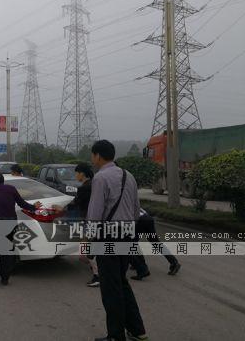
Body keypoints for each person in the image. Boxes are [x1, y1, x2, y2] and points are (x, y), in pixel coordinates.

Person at [87, 140, 148, 341]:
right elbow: (136, 210)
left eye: (92, 155)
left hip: (109, 235)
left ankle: (115, 335)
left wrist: (90, 239)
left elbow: (95, 214)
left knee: (111, 288)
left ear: (97, 156)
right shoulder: (128, 175)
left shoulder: (100, 178)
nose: (91, 159)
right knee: (121, 283)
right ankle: (138, 331)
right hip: (128, 233)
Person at [0, 172, 42, 287]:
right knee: (5, 251)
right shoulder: (11, 189)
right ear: (3, 181)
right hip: (11, 223)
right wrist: (34, 207)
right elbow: (22, 204)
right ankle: (5, 279)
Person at [53, 162, 100, 287]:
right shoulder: (94, 184)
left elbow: (76, 203)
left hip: (90, 219)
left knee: (90, 248)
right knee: (86, 243)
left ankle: (97, 275)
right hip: (98, 218)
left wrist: (61, 208)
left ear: (82, 173)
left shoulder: (85, 187)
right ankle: (91, 263)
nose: (75, 175)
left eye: (76, 173)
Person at [129, 208, 181, 280]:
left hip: (139, 220)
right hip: (148, 218)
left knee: (131, 243)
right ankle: (174, 262)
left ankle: (141, 267)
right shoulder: (129, 200)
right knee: (155, 242)